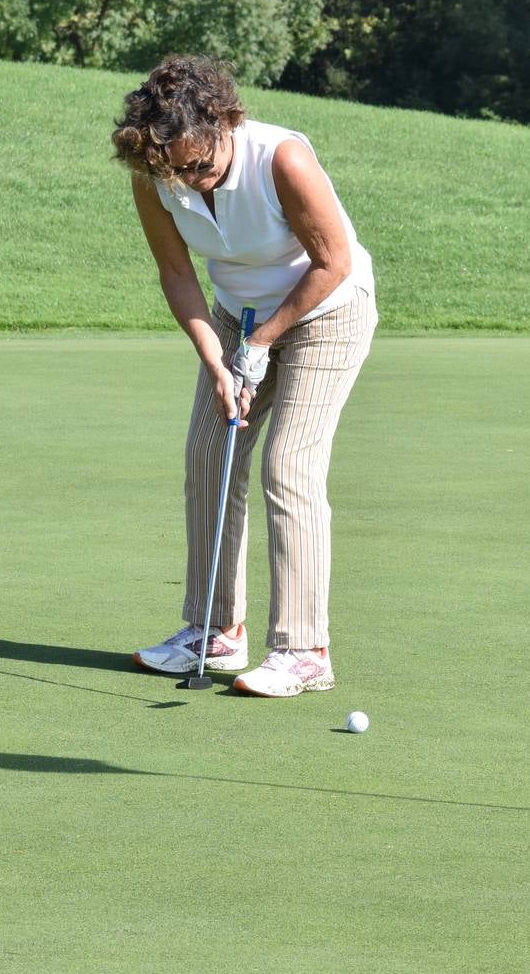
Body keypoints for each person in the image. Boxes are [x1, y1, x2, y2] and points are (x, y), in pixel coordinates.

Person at [109, 55, 377, 697]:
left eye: (199, 166)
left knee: (289, 463)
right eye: (175, 170)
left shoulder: (281, 159)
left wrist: (262, 340)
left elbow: (332, 261)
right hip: (236, 315)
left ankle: (305, 650)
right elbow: (178, 275)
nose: (190, 182)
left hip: (328, 309)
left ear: (225, 120)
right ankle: (215, 632)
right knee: (210, 453)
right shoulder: (158, 174)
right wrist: (216, 357)